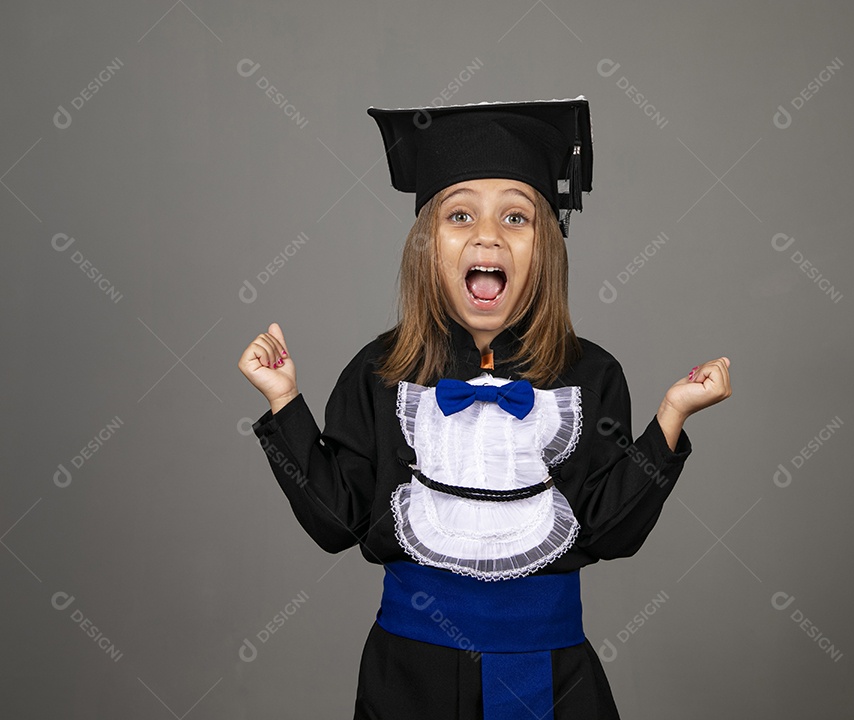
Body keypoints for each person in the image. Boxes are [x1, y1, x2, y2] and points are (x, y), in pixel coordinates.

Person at [237, 96, 731, 720]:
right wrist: (285, 404)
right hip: (409, 675)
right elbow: (339, 522)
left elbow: (610, 529)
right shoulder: (378, 372)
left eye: (516, 218)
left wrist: (672, 415)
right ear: (427, 246)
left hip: (547, 671)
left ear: (545, 247)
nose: (488, 235)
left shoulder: (591, 375)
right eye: (461, 215)